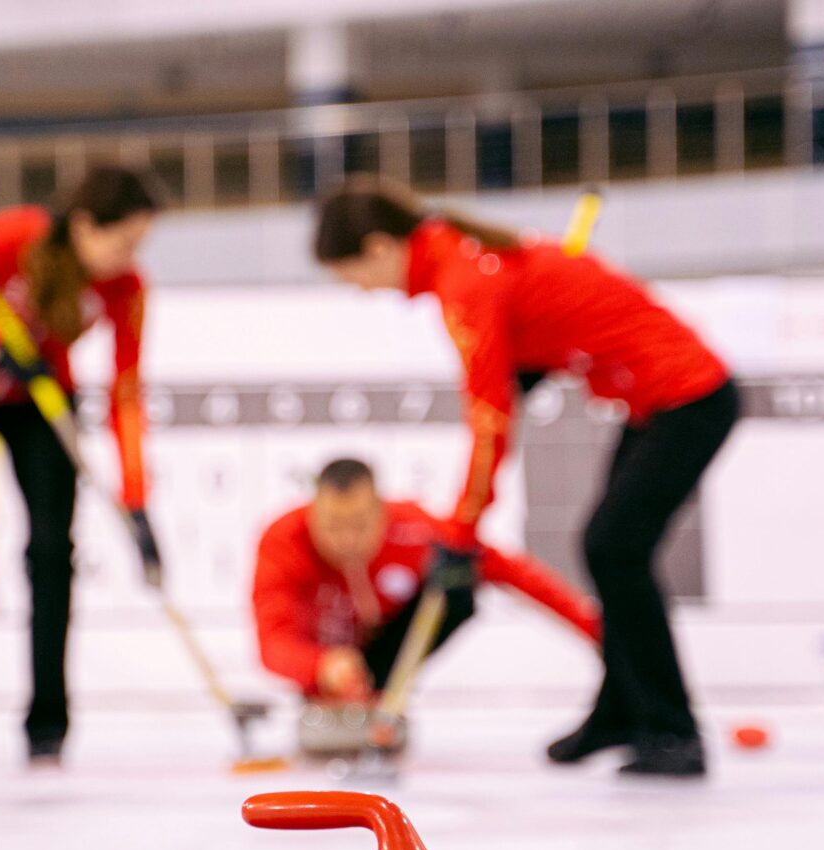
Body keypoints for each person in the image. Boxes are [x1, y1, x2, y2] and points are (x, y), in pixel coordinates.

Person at [311, 177, 736, 777]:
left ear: (379, 247)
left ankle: (672, 731)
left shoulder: (463, 280)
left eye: (350, 273)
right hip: (653, 404)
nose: (359, 289)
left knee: (614, 549)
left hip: (691, 399)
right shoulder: (462, 258)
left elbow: (489, 423)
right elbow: (532, 349)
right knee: (610, 550)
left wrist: (462, 530)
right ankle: (622, 711)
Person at [0, 165, 163, 769]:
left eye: (137, 245)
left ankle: (47, 726)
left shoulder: (126, 287)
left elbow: (128, 391)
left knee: (52, 553)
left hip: (41, 403)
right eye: (122, 241)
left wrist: (136, 497)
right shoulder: (2, 240)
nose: (128, 257)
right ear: (83, 225)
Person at [252, 458, 599, 703]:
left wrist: (597, 629)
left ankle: (380, 691)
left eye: (358, 526)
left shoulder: (413, 528)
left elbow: (511, 571)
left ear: (381, 512)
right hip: (320, 662)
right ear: (312, 512)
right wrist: (321, 666)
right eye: (332, 526)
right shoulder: (283, 539)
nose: (345, 540)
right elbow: (272, 642)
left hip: (385, 653)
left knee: (457, 581)